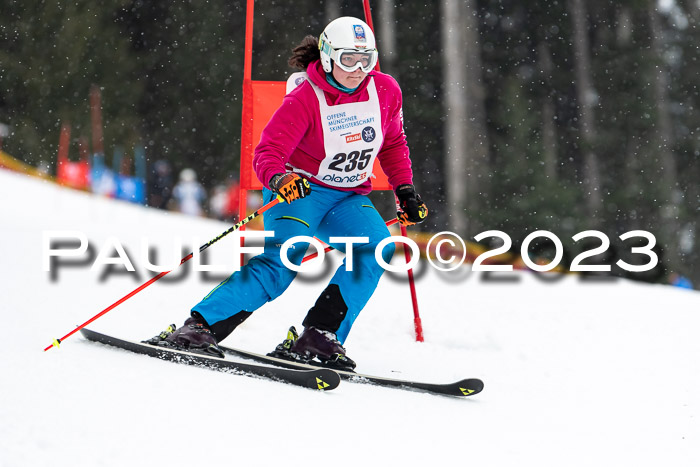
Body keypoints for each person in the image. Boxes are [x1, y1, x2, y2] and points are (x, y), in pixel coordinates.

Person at [147, 17, 428, 370]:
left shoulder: (386, 91)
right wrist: (280, 180)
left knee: (375, 249)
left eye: (366, 60)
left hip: (346, 197)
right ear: (327, 57)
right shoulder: (305, 99)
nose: (358, 70)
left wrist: (405, 189)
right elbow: (266, 153)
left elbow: (393, 143)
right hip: (302, 191)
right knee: (285, 259)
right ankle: (199, 328)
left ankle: (319, 336)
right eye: (348, 60)